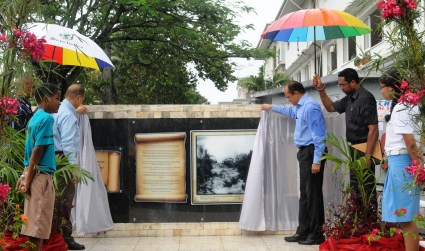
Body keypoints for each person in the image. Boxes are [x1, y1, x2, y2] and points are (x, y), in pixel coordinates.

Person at [261, 81, 327, 245]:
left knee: (313, 194)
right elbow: (289, 111)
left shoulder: (311, 107)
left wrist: (316, 161)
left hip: (312, 152)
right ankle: (303, 231)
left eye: (288, 96)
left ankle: (316, 233)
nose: (288, 99)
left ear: (297, 93)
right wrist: (270, 107)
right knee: (305, 193)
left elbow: (319, 136)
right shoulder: (299, 107)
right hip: (304, 152)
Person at [313, 68, 379, 215]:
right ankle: (359, 221)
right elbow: (330, 107)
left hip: (364, 147)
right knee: (356, 188)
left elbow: (373, 129)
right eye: (340, 85)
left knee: (366, 187)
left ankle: (370, 223)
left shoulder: (365, 97)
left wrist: (367, 157)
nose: (341, 88)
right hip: (353, 147)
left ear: (353, 82)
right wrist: (321, 89)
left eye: (343, 85)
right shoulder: (349, 98)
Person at [379, 70, 422, 251]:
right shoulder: (409, 104)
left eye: (382, 87)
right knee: (403, 215)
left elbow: (410, 141)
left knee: (404, 216)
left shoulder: (403, 106)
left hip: (404, 162)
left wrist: (417, 166)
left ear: (392, 87)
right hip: (402, 161)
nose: (381, 91)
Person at [19, 83, 61, 251]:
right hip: (40, 177)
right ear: (46, 99)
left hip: (31, 174)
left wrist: (26, 177)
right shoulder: (47, 118)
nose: (59, 102)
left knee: (32, 229)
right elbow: (38, 150)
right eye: (57, 98)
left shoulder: (34, 117)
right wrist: (28, 181)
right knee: (38, 230)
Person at [53, 84, 85, 250]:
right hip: (64, 161)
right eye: (81, 100)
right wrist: (74, 169)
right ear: (78, 97)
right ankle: (65, 238)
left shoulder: (59, 110)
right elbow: (67, 145)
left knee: (59, 200)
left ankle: (58, 237)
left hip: (56, 159)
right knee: (65, 200)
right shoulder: (68, 115)